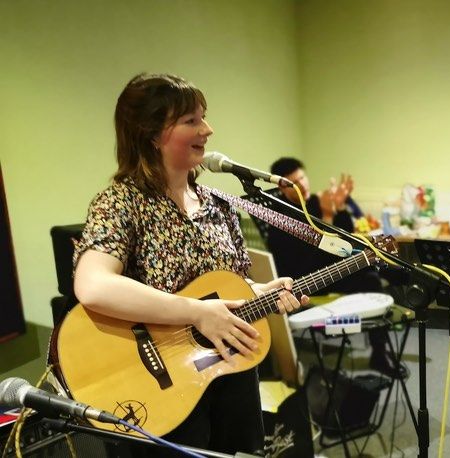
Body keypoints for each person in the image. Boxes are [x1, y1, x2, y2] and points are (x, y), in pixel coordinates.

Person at [73, 73, 308, 455]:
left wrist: (262, 292)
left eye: (204, 117)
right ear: (150, 134)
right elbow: (93, 286)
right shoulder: (121, 202)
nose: (208, 129)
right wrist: (197, 313)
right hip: (167, 384)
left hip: (231, 367)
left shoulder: (218, 203)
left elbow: (227, 290)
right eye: (192, 120)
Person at [266, 157, 405, 378]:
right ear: (280, 188)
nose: (301, 184)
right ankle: (380, 352)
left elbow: (346, 241)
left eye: (302, 177)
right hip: (305, 281)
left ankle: (380, 348)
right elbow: (309, 262)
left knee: (369, 269)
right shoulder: (279, 218)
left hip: (330, 270)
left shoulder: (313, 203)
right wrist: (329, 216)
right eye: (293, 182)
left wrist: (339, 208)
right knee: (370, 278)